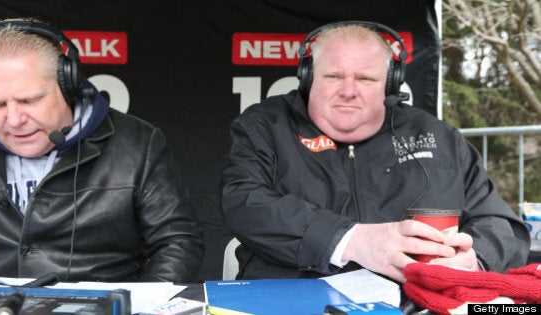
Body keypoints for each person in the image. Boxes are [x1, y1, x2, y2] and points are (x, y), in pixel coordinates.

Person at [220, 21, 530, 283]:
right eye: (333, 76)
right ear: (307, 77)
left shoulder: (438, 136)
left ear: (391, 84)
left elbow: (502, 225)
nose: (348, 91)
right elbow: (244, 202)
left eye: (366, 79)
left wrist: (476, 258)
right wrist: (351, 240)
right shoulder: (265, 124)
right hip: (290, 297)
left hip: (413, 301)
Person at [0, 18, 204, 283]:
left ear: (67, 85)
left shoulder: (137, 142)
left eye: (29, 100)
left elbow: (178, 242)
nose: (14, 120)